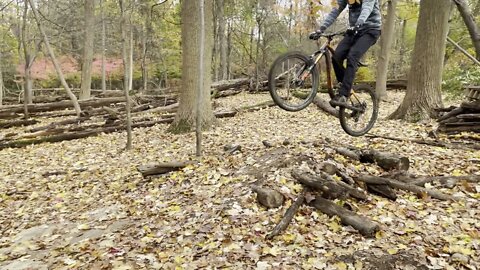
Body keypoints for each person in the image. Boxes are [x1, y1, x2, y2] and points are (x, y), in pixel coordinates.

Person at [309, 0, 382, 107]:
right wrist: (321, 29)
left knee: (352, 56)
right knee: (336, 57)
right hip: (354, 30)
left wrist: (358, 24)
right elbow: (334, 12)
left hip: (370, 30)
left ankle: (343, 95)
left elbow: (366, 9)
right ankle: (345, 87)